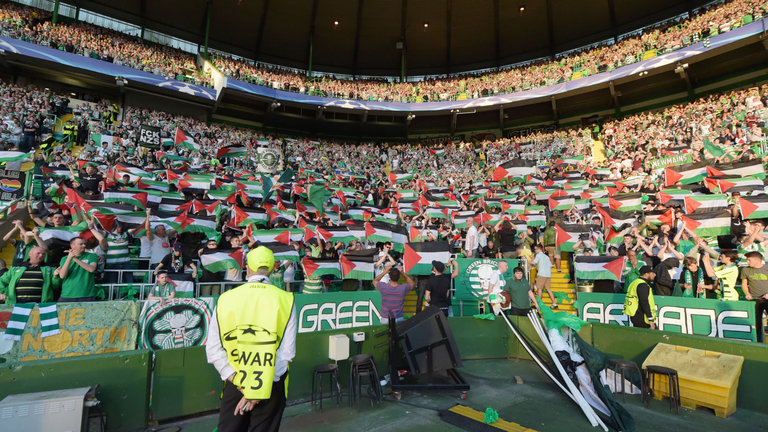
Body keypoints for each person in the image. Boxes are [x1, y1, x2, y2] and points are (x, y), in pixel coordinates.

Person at [205, 246, 296, 432]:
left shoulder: (225, 298)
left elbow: (213, 350)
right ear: (272, 269)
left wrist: (242, 386)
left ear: (247, 268)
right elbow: (286, 354)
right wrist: (257, 391)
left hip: (234, 382)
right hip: (272, 384)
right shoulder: (287, 300)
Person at [57, 237, 98, 302]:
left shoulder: (91, 256)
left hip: (86, 295)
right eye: (81, 244)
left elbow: (91, 269)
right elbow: (62, 276)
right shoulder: (64, 259)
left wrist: (74, 258)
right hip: (67, 294)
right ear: (72, 246)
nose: (84, 245)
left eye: (84, 244)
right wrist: (69, 258)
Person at [740, 251, 768, 343]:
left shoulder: (766, 269)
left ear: (757, 260)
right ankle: (759, 343)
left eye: (749, 260)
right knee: (756, 323)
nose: (747, 262)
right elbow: (744, 284)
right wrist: (747, 293)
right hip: (755, 300)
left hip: (767, 299)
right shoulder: (746, 270)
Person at [623, 265, 657, 329]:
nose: (655, 275)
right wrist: (650, 320)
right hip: (643, 318)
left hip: (636, 316)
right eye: (653, 273)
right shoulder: (642, 285)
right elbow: (644, 302)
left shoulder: (635, 282)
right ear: (647, 274)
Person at [532, 244, 558, 309]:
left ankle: (539, 304)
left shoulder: (538, 255)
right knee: (548, 289)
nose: (535, 251)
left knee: (539, 289)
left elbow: (534, 263)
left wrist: (528, 260)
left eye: (535, 249)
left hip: (541, 274)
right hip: (548, 274)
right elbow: (550, 265)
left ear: (538, 249)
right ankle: (554, 303)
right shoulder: (546, 256)